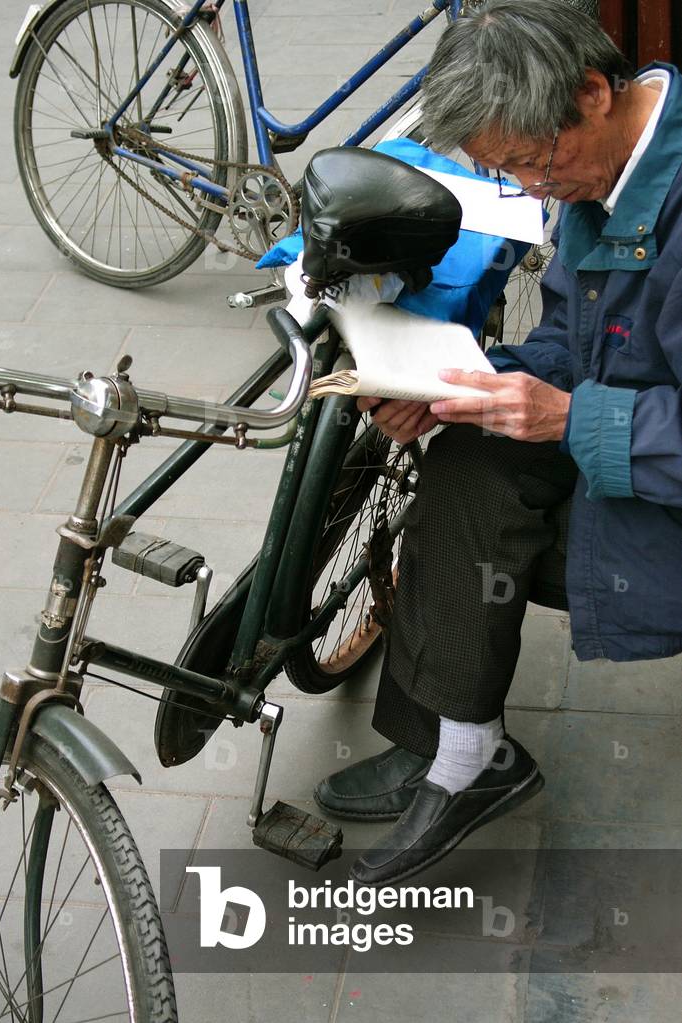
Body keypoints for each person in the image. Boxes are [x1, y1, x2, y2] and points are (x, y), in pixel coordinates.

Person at [313, 0, 682, 886]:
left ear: (592, 93)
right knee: (467, 456)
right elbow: (571, 338)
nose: (529, 189)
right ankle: (459, 740)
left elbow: (585, 396)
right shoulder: (605, 170)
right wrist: (469, 389)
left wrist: (566, 418)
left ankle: (460, 749)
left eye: (526, 163)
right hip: (631, 431)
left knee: (477, 515)